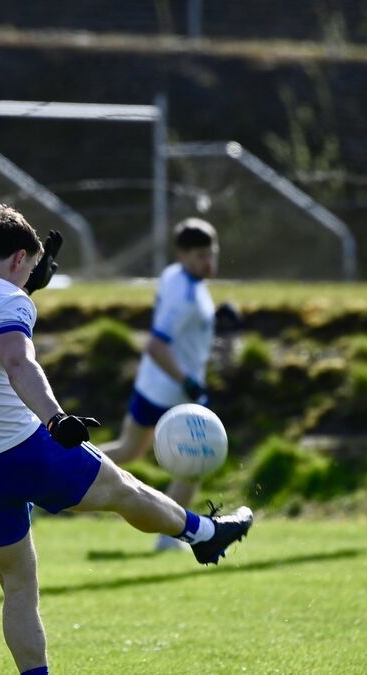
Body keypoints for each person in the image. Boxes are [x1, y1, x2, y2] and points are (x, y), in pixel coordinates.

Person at [0, 205, 253, 674]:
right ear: (18, 257)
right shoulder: (10, 300)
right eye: (27, 269)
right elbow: (18, 362)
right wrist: (55, 418)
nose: (27, 282)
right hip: (18, 446)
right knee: (124, 490)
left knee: (18, 587)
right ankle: (202, 534)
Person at [97, 217, 224, 552]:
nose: (207, 262)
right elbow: (156, 344)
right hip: (174, 392)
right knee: (196, 461)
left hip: (151, 384)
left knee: (128, 449)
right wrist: (190, 383)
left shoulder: (175, 275)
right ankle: (171, 536)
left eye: (211, 254)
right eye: (199, 256)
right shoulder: (186, 295)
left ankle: (48, 479)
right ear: (182, 255)